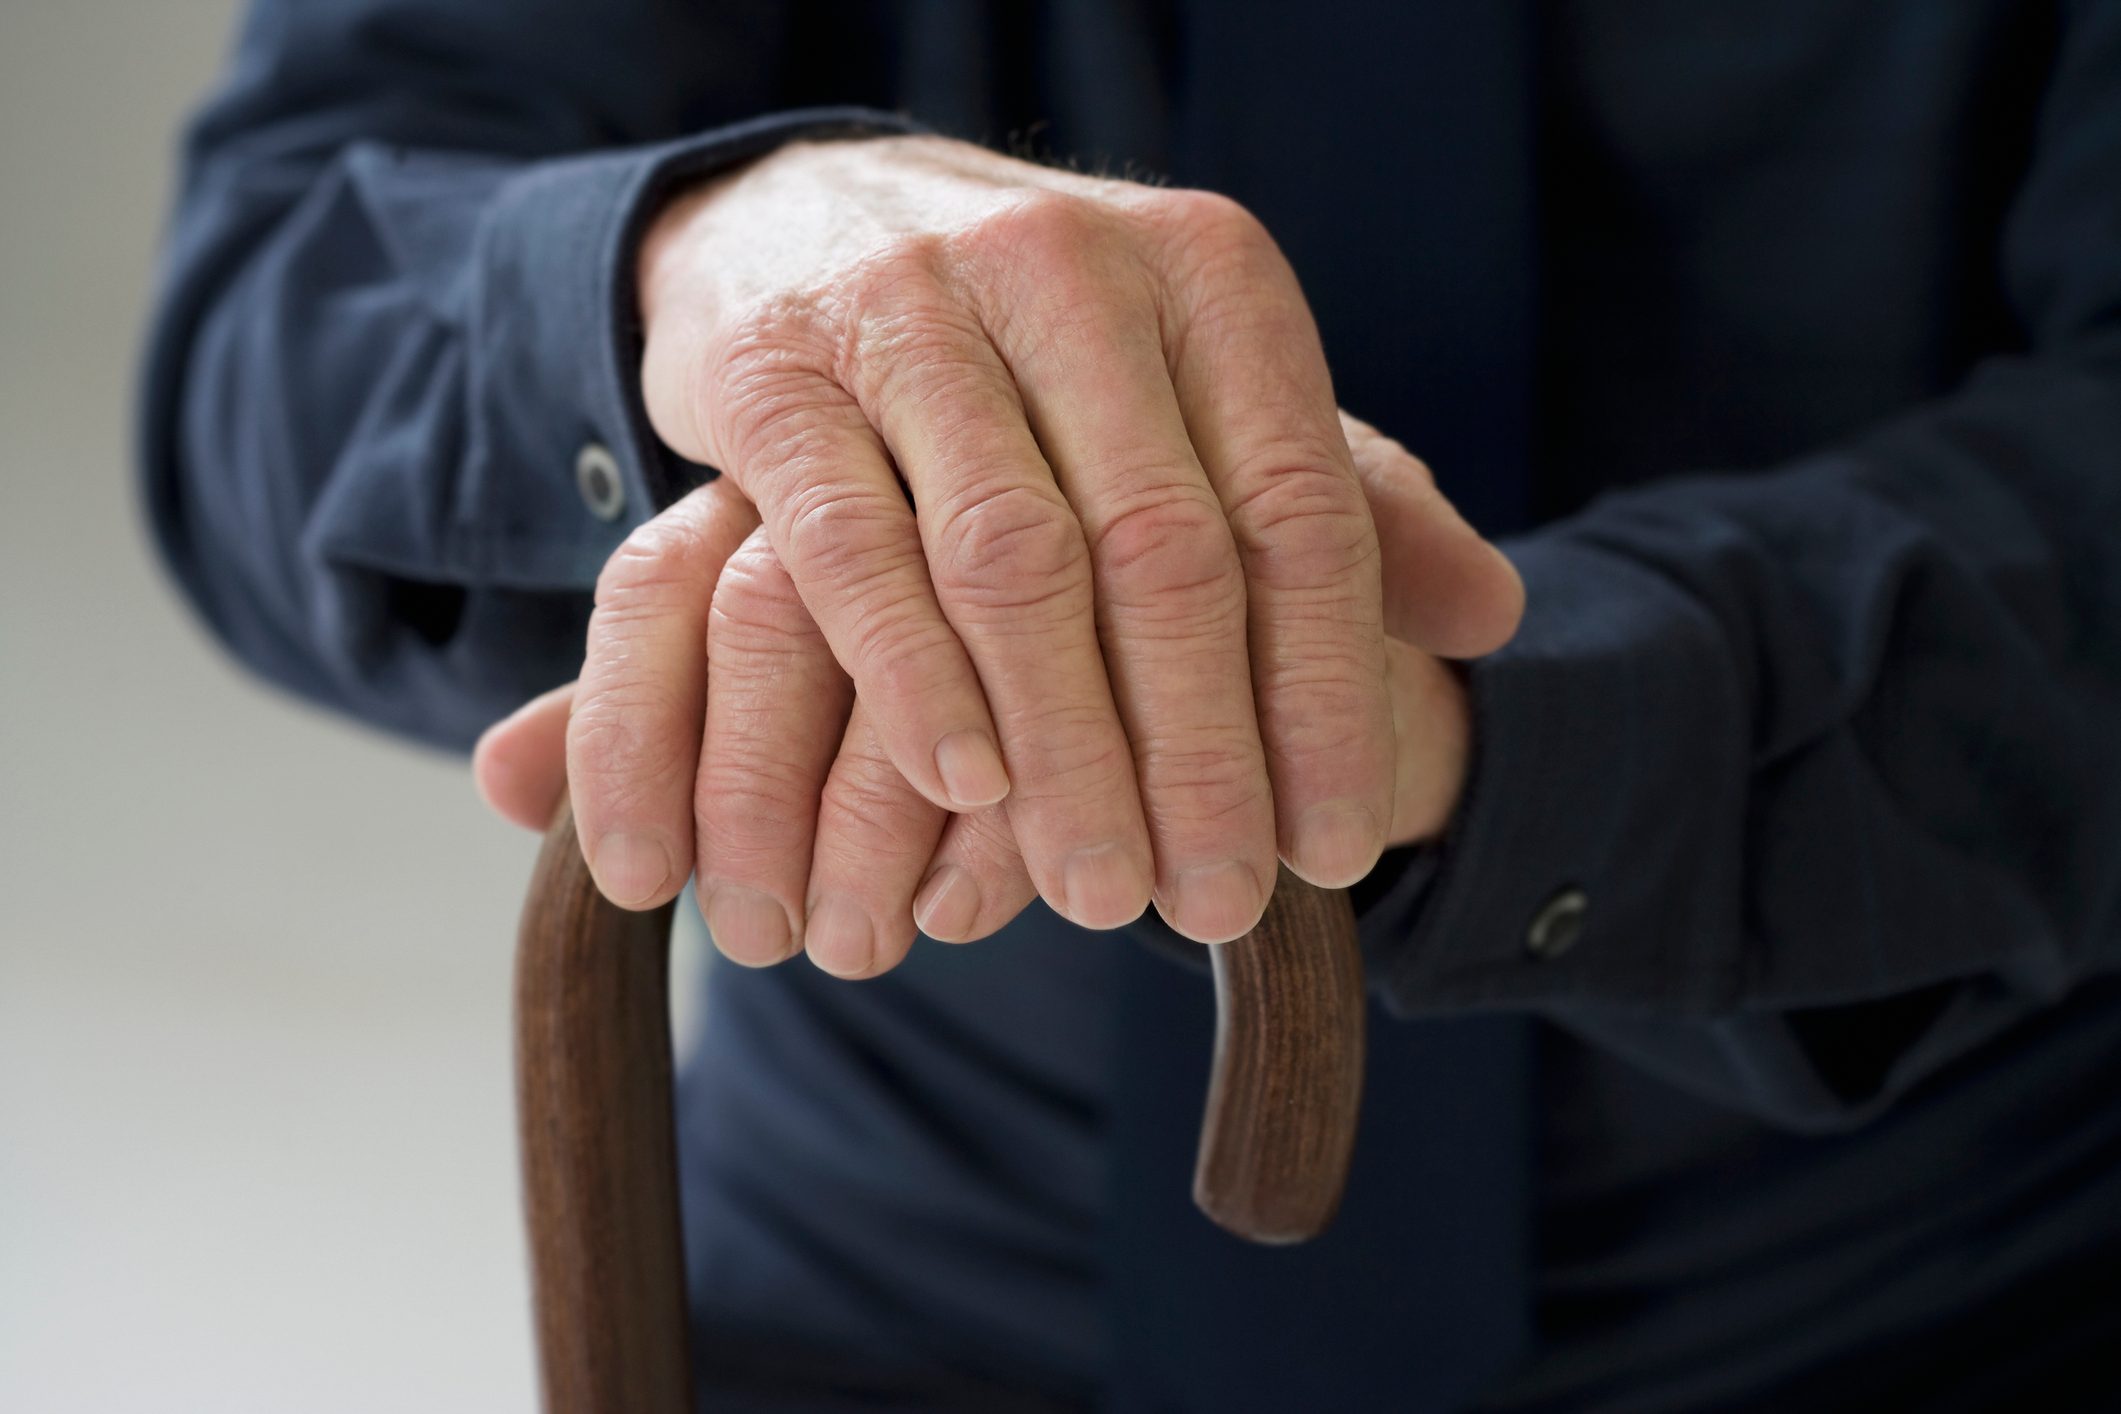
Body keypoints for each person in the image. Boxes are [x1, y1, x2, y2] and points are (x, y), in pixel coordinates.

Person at [142, 2, 2121, 1409]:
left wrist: (1463, 719)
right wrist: (686, 267)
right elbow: (270, 322)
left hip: (1936, 1286)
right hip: (869, 1288)